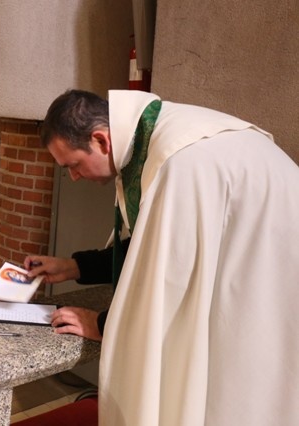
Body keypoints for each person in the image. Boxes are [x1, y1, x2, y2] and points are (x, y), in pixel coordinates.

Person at [22, 89, 299, 425]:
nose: (74, 177)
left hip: (252, 304)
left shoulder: (179, 162)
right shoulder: (176, 131)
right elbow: (156, 244)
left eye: (74, 165)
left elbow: (167, 283)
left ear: (101, 140)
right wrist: (75, 266)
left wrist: (99, 324)